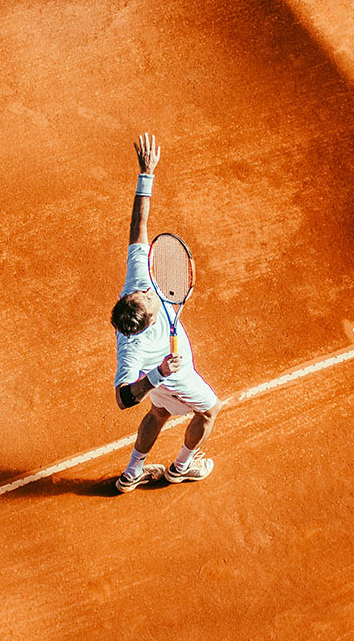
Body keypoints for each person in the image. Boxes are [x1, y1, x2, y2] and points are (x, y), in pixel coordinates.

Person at [109, 133, 221, 493]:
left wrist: (147, 173)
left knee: (158, 413)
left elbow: (138, 228)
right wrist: (158, 375)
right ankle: (181, 467)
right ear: (149, 321)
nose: (150, 291)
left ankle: (131, 474)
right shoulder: (133, 350)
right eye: (149, 299)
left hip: (161, 379)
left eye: (143, 292)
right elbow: (124, 398)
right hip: (174, 376)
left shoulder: (137, 283)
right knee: (209, 410)